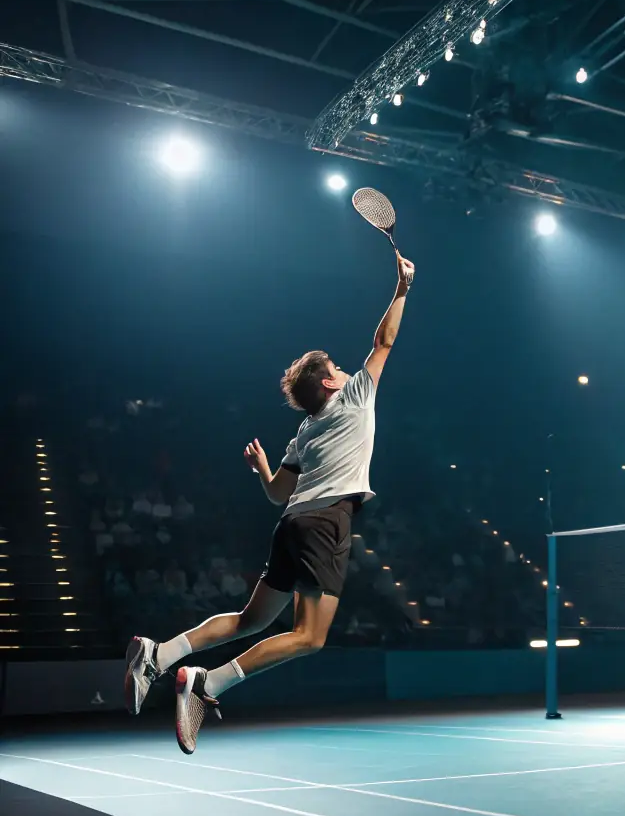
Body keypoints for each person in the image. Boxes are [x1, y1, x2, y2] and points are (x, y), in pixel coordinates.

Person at [123, 251, 415, 753]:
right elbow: (383, 340)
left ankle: (159, 652)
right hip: (325, 523)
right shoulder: (355, 397)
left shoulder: (304, 431)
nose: (347, 370)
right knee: (310, 637)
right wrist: (403, 287)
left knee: (251, 620)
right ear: (329, 383)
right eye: (338, 369)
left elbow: (278, 492)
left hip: (292, 524)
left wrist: (263, 470)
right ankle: (207, 684)